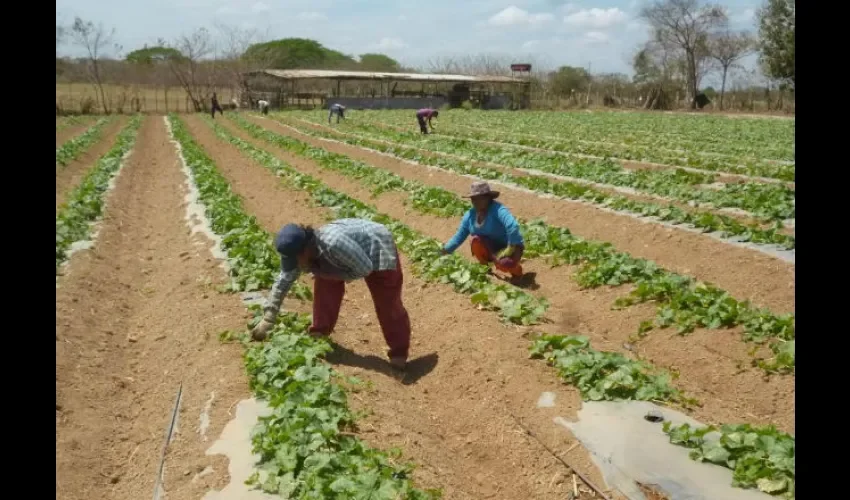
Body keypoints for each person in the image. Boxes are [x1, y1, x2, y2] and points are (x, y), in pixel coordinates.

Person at [250, 219, 412, 370]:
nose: (296, 265)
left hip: (377, 246)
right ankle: (319, 332)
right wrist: (269, 317)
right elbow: (283, 282)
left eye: (297, 260)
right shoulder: (301, 251)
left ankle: (399, 353)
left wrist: (332, 274)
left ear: (306, 250)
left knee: (387, 302)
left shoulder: (333, 244)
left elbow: (365, 269)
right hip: (349, 252)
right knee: (324, 283)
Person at [441, 181, 524, 278]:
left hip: (506, 247)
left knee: (505, 263)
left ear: (488, 198)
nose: (475, 202)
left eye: (479, 198)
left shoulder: (498, 210)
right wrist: (444, 251)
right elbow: (459, 236)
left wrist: (511, 246)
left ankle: (517, 272)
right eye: (473, 199)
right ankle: (485, 267)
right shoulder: (470, 215)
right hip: (489, 248)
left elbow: (513, 226)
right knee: (475, 240)